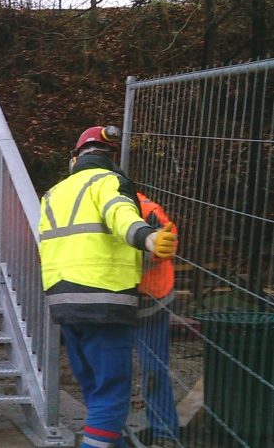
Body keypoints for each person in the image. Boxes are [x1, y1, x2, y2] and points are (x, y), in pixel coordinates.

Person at [37, 125, 178, 448]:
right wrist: (148, 237)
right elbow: (121, 215)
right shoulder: (109, 182)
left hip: (64, 302)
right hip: (106, 302)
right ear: (112, 159)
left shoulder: (53, 194)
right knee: (112, 392)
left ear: (74, 159)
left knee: (94, 388)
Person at [135, 192, 180, 448]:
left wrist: (150, 250)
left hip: (151, 301)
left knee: (153, 370)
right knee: (108, 371)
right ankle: (106, 429)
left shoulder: (145, 208)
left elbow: (168, 241)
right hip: (110, 303)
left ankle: (164, 434)